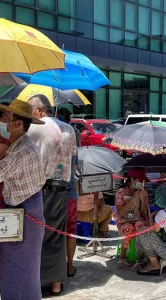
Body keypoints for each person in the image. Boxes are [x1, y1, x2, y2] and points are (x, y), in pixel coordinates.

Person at [27, 94, 77, 296]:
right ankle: (57, 283)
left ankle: (36, 279)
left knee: (37, 235)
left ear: (40, 110)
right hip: (62, 187)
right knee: (57, 235)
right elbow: (73, 158)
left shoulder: (35, 126)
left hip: (41, 186)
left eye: (30, 110)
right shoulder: (69, 128)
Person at [0, 99, 46, 300]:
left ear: (17, 124)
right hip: (22, 209)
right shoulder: (18, 145)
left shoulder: (22, 150)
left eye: (4, 118)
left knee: (21, 269)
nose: (1, 121)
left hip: (26, 212)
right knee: (15, 265)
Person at [57, 107, 79, 278]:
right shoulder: (73, 133)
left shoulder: (43, 132)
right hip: (69, 189)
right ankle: (69, 266)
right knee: (70, 231)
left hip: (51, 191)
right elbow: (76, 166)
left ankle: (53, 271)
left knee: (52, 230)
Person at [115, 168, 149, 270]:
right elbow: (120, 214)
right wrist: (133, 198)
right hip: (124, 222)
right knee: (128, 228)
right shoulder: (121, 193)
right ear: (132, 180)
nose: (142, 184)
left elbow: (143, 214)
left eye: (143, 181)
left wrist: (142, 201)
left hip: (137, 220)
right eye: (139, 181)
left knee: (141, 226)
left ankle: (140, 259)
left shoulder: (143, 192)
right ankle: (122, 258)